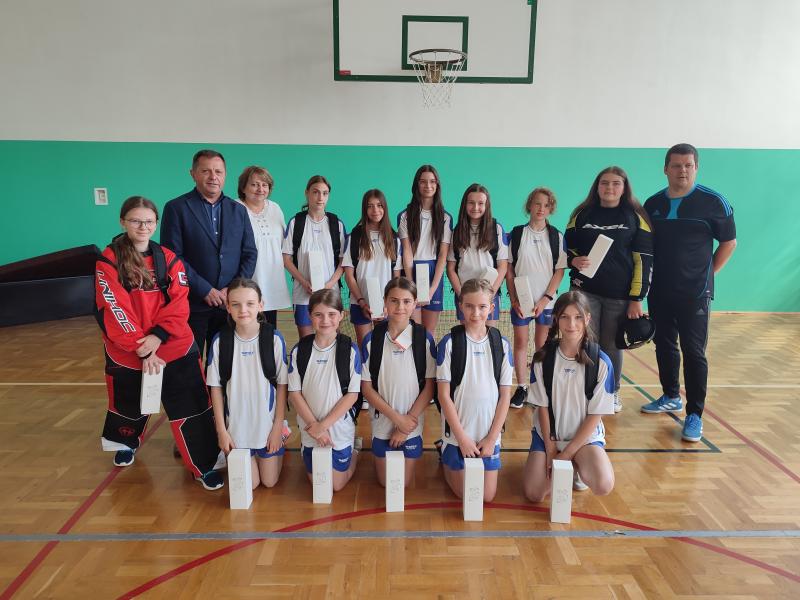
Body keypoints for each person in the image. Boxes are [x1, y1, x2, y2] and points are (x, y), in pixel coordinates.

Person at [95, 196, 224, 490]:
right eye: (135, 221)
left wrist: (158, 338)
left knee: (192, 403)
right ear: (123, 222)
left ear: (156, 224)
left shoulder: (168, 258)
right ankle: (126, 441)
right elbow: (113, 307)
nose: (143, 227)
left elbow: (179, 304)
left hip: (172, 344)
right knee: (128, 400)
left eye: (149, 222)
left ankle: (203, 463)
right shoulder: (108, 260)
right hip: (128, 347)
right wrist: (141, 347)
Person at [640, 143, 737, 442]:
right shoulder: (652, 204)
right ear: (665, 169)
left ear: (696, 168)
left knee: (693, 352)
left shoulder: (714, 202)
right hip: (659, 291)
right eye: (676, 165)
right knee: (664, 345)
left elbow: (729, 243)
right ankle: (671, 395)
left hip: (695, 294)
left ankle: (695, 414)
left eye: (688, 165)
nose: (682, 170)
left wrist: (707, 275)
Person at [564, 166, 653, 413]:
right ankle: (586, 391)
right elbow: (565, 247)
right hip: (584, 292)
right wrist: (573, 260)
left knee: (611, 346)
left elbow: (644, 260)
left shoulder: (636, 217)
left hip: (620, 296)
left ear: (624, 188)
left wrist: (637, 298)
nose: (609, 188)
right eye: (605, 183)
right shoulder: (581, 214)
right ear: (597, 186)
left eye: (616, 183)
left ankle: (611, 392)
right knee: (585, 343)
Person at [160, 149, 257, 356]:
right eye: (206, 171)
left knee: (225, 362)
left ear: (225, 175)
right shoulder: (176, 208)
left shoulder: (238, 210)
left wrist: (232, 289)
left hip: (229, 305)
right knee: (191, 362)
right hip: (192, 303)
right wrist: (205, 289)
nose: (213, 177)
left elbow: (250, 253)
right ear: (193, 174)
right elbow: (172, 257)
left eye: (218, 172)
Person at [523, 291, 615, 501]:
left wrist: (566, 454)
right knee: (534, 494)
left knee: (603, 484)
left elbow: (596, 415)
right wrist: (551, 449)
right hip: (549, 437)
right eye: (565, 317)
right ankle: (565, 465)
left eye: (578, 317)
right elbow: (542, 407)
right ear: (556, 319)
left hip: (584, 440)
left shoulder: (601, 362)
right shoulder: (543, 359)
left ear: (587, 319)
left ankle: (577, 463)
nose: (571, 324)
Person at [436, 278, 513, 502]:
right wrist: (461, 438)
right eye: (469, 306)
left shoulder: (502, 344)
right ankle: (445, 452)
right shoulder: (449, 343)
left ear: (492, 307)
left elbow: (505, 396)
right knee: (467, 495)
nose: (476, 313)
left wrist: (491, 438)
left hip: (488, 435)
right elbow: (443, 395)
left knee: (486, 496)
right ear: (460, 305)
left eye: (482, 306)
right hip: (458, 435)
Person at [207, 278, 288, 489]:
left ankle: (283, 436)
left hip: (266, 426)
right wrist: (222, 431)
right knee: (250, 485)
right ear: (228, 307)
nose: (243, 310)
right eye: (236, 304)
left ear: (261, 305)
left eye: (250, 304)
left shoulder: (274, 339)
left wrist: (277, 426)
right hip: (236, 430)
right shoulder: (220, 342)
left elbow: (282, 385)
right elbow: (215, 388)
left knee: (269, 482)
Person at [361, 277, 437, 486]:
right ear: (385, 302)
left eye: (406, 301)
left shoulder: (424, 339)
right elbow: (366, 388)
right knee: (387, 483)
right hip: (383, 422)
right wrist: (396, 419)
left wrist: (405, 425)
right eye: (394, 301)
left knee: (402, 483)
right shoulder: (372, 340)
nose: (400, 307)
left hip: (411, 424)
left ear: (415, 304)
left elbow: (429, 387)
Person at [287, 288, 361, 492]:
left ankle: (354, 450)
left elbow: (352, 395)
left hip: (338, 429)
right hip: (310, 429)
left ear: (341, 316)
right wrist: (315, 427)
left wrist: (324, 426)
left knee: (335, 486)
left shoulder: (350, 350)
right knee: (319, 485)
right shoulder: (300, 351)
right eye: (318, 314)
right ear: (310, 316)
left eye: (331, 314)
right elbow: (294, 393)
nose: (325, 320)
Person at [505, 188, 567, 409]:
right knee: (521, 343)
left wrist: (545, 299)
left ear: (551, 209)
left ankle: (540, 386)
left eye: (546, 205)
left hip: (546, 302)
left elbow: (559, 271)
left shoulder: (556, 236)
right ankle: (522, 387)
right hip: (522, 302)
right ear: (529, 205)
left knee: (542, 345)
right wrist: (514, 299)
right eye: (537, 203)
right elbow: (509, 270)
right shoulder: (516, 234)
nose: (541, 209)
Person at [282, 175, 347, 339]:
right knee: (306, 342)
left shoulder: (336, 224)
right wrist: (304, 283)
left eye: (325, 193)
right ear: (307, 193)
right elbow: (286, 259)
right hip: (303, 295)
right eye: (316, 192)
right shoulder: (296, 223)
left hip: (331, 293)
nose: (320, 197)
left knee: (331, 341)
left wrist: (329, 285)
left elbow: (343, 261)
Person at [342, 189, 402, 349]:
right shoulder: (355, 236)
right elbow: (349, 275)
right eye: (370, 206)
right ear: (365, 209)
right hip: (360, 303)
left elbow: (396, 278)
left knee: (384, 349)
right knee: (365, 349)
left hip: (386, 306)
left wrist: (389, 303)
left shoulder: (394, 239)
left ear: (385, 208)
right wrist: (362, 302)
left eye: (379, 205)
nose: (375, 210)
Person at [397, 165, 453, 335]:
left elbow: (443, 255)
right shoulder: (405, 215)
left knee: (429, 333)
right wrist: (410, 283)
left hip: (433, 272)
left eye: (432, 181)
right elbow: (406, 250)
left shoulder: (445, 217)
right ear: (417, 184)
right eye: (423, 182)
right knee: (413, 331)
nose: (428, 186)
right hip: (411, 270)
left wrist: (432, 288)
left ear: (437, 185)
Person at [235, 166, 291, 327]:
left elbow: (284, 244)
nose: (260, 189)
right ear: (243, 187)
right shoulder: (234, 208)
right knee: (245, 327)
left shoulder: (275, 208)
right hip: (247, 279)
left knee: (268, 329)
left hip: (272, 280)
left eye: (264, 185)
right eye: (254, 184)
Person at [447, 183, 509, 329]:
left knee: (489, 335)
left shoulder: (496, 229)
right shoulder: (456, 231)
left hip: (489, 294)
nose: (475, 207)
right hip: (464, 294)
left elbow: (503, 266)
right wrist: (462, 294)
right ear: (465, 204)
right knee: (467, 336)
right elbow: (450, 269)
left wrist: (490, 293)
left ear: (487, 205)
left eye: (480, 203)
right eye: (471, 203)